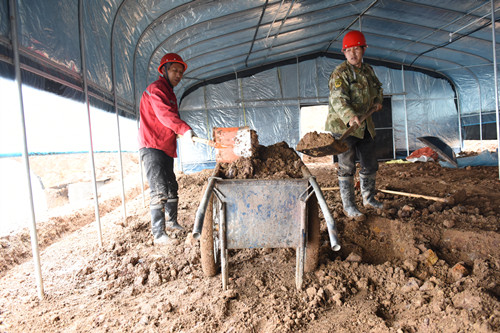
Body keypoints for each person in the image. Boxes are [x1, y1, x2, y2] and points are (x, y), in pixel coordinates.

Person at [138, 53, 196, 245]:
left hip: (165, 147)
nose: (178, 75)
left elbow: (166, 121)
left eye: (181, 72)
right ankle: (158, 234)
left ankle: (172, 223)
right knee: (159, 189)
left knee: (172, 188)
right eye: (174, 70)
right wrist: (184, 129)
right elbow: (164, 116)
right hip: (152, 146)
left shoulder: (169, 93)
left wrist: (179, 132)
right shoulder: (156, 89)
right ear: (164, 70)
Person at [325, 30, 384, 218]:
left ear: (364, 49)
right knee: (347, 166)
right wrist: (350, 116)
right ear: (344, 53)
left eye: (356, 49)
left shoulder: (368, 71)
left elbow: (377, 88)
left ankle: (368, 198)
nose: (352, 54)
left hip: (365, 125)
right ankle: (349, 205)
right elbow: (338, 99)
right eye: (348, 50)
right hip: (345, 128)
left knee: (369, 164)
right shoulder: (340, 73)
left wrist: (377, 100)